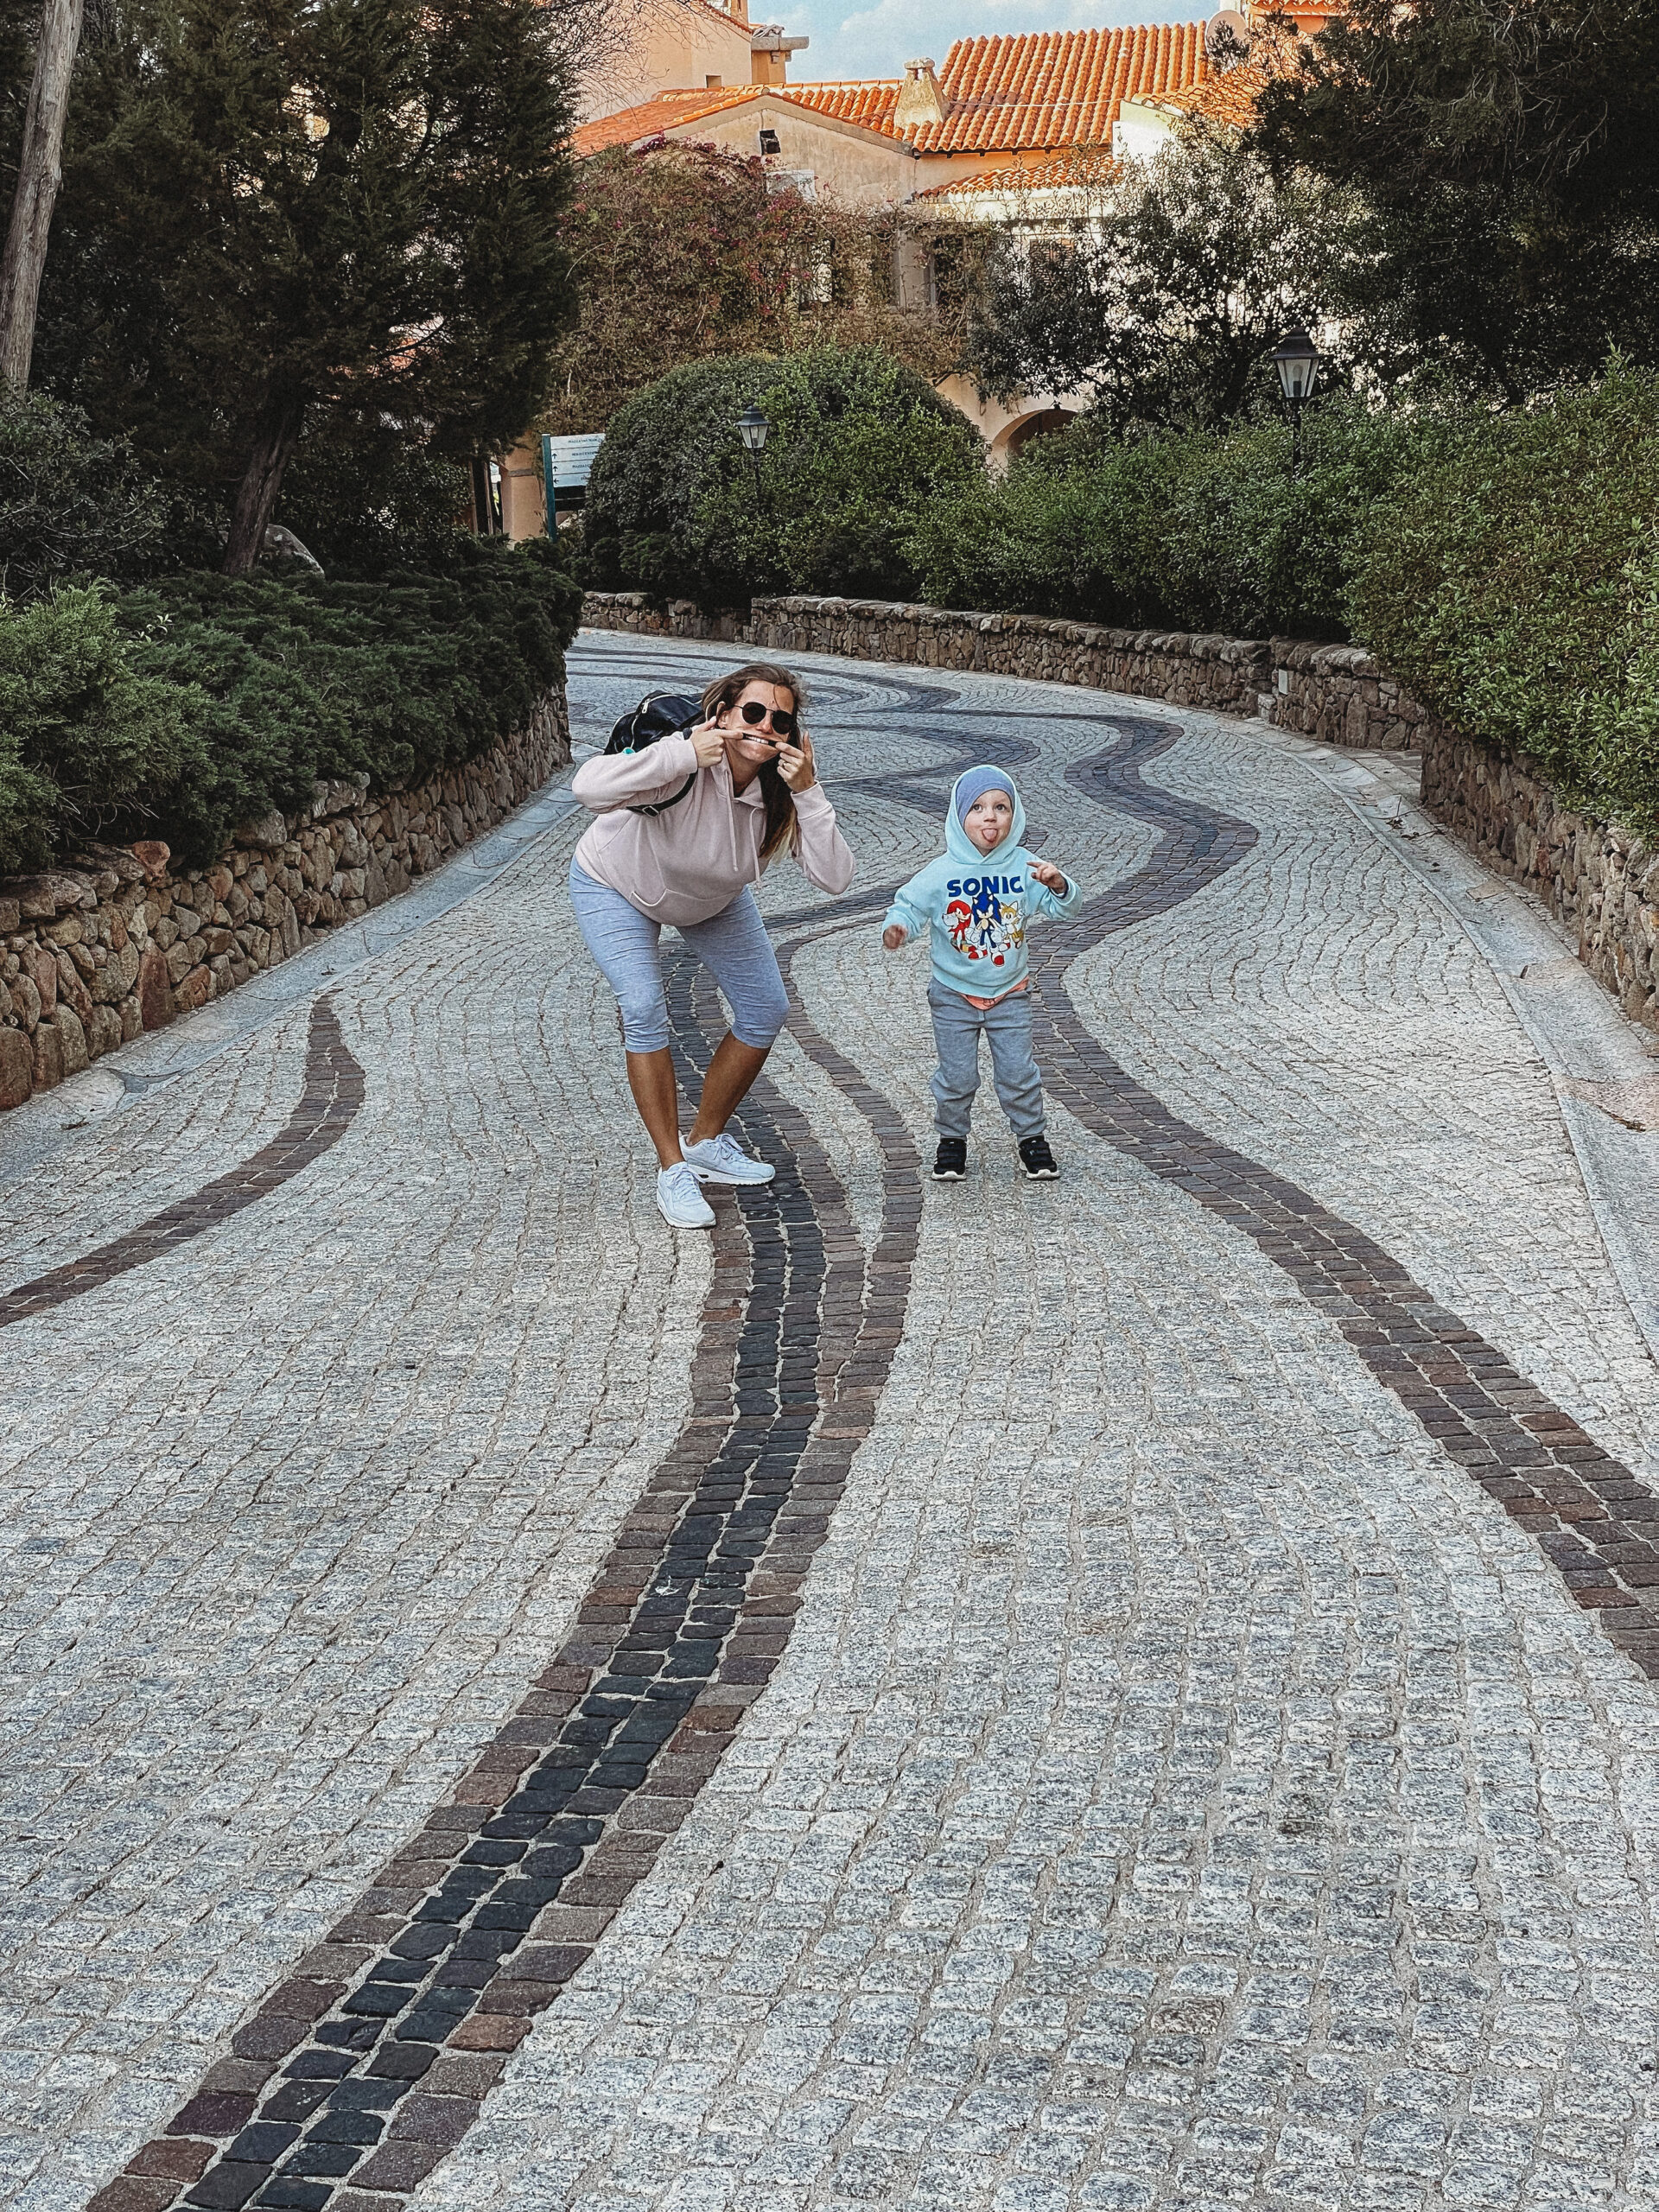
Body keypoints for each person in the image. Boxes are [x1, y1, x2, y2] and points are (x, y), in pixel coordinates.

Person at [570, 661, 855, 1228]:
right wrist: (680, 753)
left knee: (765, 1008)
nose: (766, 725)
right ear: (723, 714)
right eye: (754, 711)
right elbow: (588, 787)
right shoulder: (684, 761)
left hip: (711, 899)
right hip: (617, 885)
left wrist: (809, 792)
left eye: (781, 720)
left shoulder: (779, 793)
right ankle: (672, 1168)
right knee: (643, 1006)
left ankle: (704, 1142)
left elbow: (836, 878)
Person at [882, 764, 1081, 1182]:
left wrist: (1059, 884)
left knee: (1018, 1073)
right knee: (957, 1077)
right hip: (953, 994)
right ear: (959, 817)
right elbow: (909, 906)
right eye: (977, 808)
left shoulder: (1025, 867)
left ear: (1015, 815)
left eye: (1001, 807)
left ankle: (1032, 1138)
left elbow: (1064, 908)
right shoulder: (941, 872)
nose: (990, 816)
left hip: (1011, 992)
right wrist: (898, 927)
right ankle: (952, 1140)